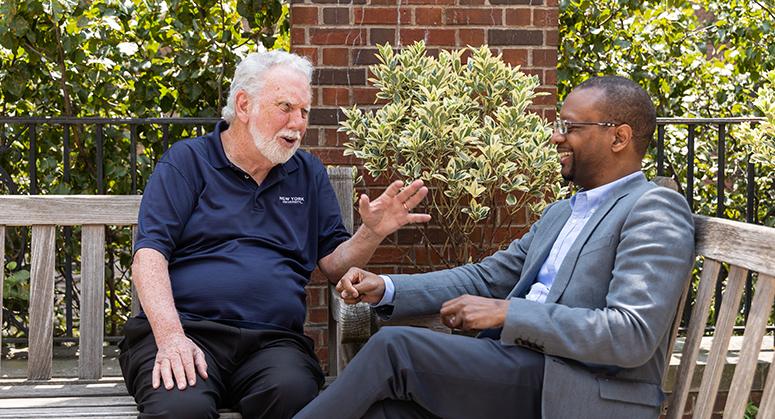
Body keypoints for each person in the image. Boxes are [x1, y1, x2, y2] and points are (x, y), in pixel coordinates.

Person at [294, 76, 695, 419]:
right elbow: (486, 277)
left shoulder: (653, 208)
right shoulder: (562, 213)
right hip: (520, 372)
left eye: (571, 127)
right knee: (386, 414)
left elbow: (630, 334)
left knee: (394, 347)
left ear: (619, 137)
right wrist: (387, 288)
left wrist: (508, 311)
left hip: (581, 391)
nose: (557, 136)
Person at [118, 50, 431, 419]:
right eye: (286, 107)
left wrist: (371, 233)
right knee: (180, 409)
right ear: (244, 104)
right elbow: (149, 256)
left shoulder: (307, 173)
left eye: (304, 112)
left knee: (294, 396)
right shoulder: (187, 162)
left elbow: (333, 265)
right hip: (186, 330)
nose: (298, 123)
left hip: (272, 342)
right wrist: (170, 337)